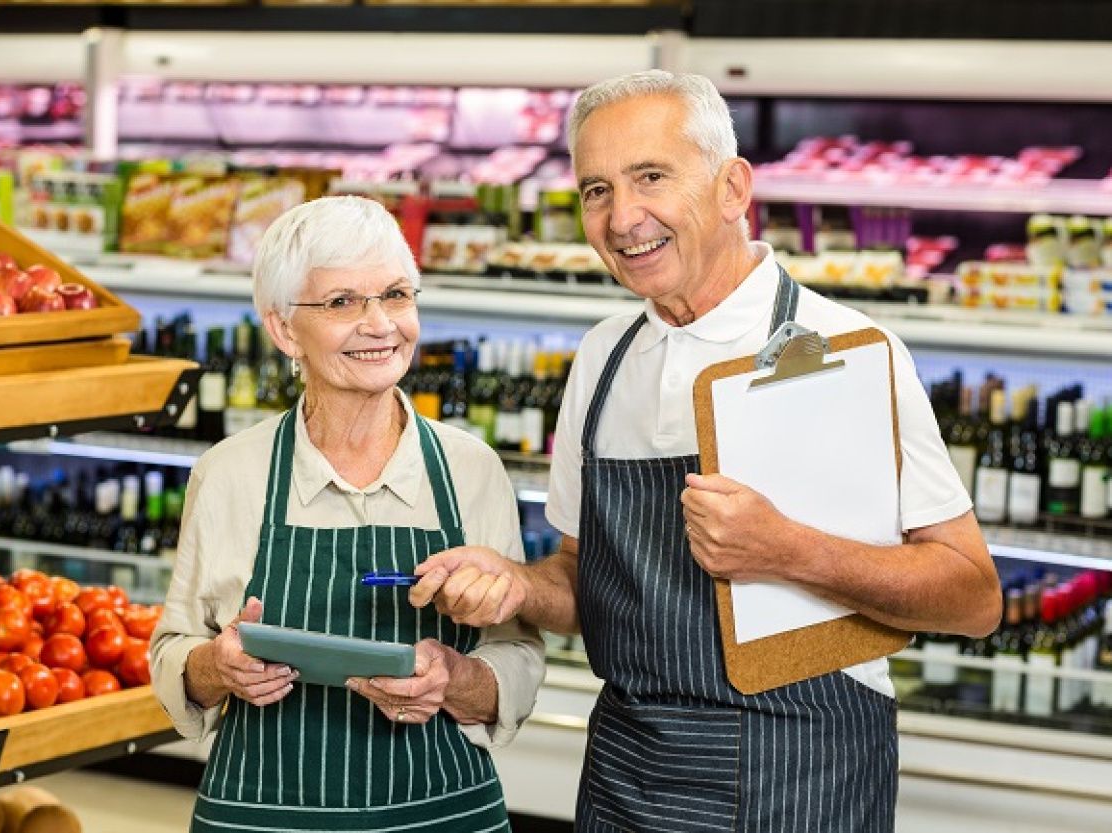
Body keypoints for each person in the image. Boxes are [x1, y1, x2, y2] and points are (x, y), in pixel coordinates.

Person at [411, 70, 1002, 832]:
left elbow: (974, 597)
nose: (624, 217)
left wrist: (790, 550)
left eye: (650, 177)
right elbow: (582, 582)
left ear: (732, 188)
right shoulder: (603, 358)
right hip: (630, 766)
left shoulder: (847, 354)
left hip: (803, 766)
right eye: (596, 190)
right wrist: (518, 586)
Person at [150, 195, 545, 833]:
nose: (380, 324)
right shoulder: (230, 473)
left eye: (395, 294)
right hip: (264, 813)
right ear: (283, 329)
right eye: (341, 303)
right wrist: (215, 667)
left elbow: (519, 656)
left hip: (439, 812)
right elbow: (173, 652)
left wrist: (454, 678)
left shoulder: (470, 470)